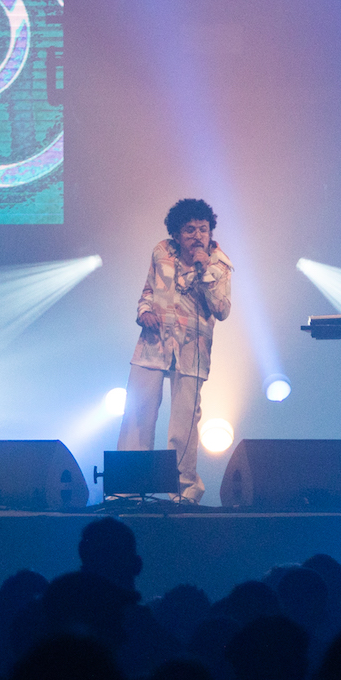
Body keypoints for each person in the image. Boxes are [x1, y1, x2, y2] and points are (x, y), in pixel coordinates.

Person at [118, 199, 233, 503]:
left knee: (183, 425)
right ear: (177, 233)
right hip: (153, 344)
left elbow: (221, 310)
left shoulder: (220, 265)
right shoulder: (161, 251)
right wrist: (143, 310)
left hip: (191, 350)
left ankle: (184, 494)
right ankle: (128, 489)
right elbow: (147, 290)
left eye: (203, 229)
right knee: (138, 414)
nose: (198, 236)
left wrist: (205, 270)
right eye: (190, 230)